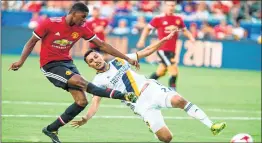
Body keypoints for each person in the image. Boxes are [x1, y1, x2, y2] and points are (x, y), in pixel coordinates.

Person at [9, 2, 138, 143]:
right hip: (50, 65)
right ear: (73, 13)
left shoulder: (82, 28)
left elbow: (102, 45)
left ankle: (51, 129)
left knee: (82, 101)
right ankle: (123, 96)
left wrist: (126, 58)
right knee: (81, 82)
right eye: (83, 17)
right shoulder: (50, 23)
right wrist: (21, 61)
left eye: (86, 18)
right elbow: (31, 42)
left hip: (68, 64)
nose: (84, 20)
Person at [71, 30, 226, 143]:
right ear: (90, 66)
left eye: (95, 56)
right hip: (140, 105)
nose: (95, 60)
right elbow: (95, 102)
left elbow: (146, 51)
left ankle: (211, 125)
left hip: (151, 90)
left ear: (101, 55)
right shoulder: (98, 81)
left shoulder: (119, 60)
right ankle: (154, 127)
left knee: (178, 100)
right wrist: (86, 118)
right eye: (91, 61)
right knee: (166, 138)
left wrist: (163, 40)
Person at [137, 1, 195, 90]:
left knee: (161, 72)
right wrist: (142, 40)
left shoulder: (178, 19)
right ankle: (173, 93)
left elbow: (184, 30)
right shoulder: (158, 18)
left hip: (172, 50)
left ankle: (143, 86)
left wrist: (191, 37)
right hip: (162, 49)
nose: (171, 7)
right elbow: (147, 28)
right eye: (169, 5)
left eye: (172, 5)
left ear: (175, 7)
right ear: (165, 6)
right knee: (174, 71)